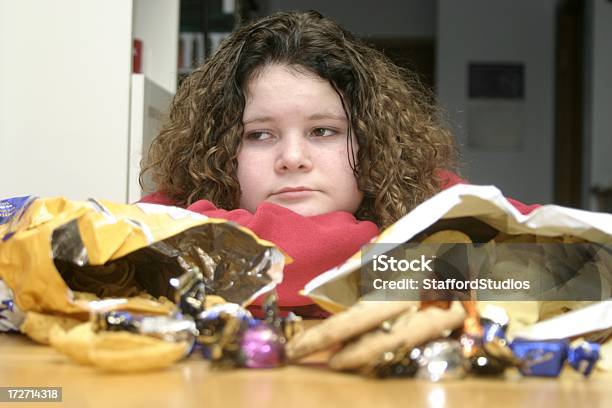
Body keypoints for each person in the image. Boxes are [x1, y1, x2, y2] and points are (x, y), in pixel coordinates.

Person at [139, 10, 537, 316]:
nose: (292, 159)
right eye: (259, 135)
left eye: (323, 131)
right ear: (220, 150)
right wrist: (398, 258)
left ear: (370, 140)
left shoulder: (428, 195)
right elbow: (115, 249)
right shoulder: (174, 211)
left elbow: (584, 264)